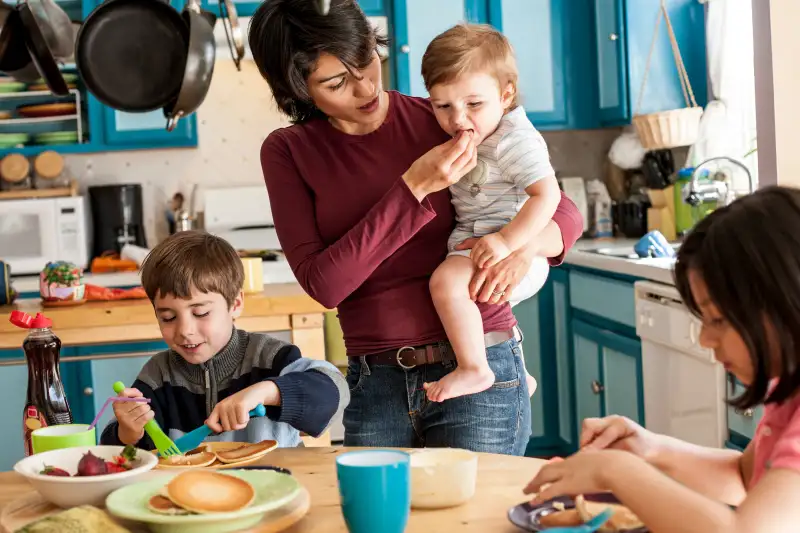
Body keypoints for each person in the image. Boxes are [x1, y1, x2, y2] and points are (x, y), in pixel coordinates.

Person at [249, 0, 583, 455]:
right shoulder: (289, 152)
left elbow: (563, 209)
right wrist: (413, 188)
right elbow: (325, 285)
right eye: (336, 82)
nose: (365, 86)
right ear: (299, 89)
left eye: (367, 60)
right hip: (377, 383)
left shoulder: (446, 115)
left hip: (481, 368)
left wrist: (520, 247)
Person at [524, 186, 800, 532]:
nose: (705, 339)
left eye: (717, 320)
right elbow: (743, 475)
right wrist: (650, 449)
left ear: (782, 304)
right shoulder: (788, 392)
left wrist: (617, 471)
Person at [100, 230, 349, 449]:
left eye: (201, 313)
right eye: (167, 317)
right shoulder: (157, 376)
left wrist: (267, 391)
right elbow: (117, 452)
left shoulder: (270, 358)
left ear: (236, 304)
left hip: (273, 488)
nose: (185, 330)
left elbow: (335, 393)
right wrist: (128, 432)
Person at [421, 24, 559, 402]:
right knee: (475, 304)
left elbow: (548, 196)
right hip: (485, 246)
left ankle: (474, 369)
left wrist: (507, 241)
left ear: (506, 94)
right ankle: (520, 373)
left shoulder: (513, 139)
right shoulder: (472, 136)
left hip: (513, 251)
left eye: (474, 105)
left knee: (446, 285)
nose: (458, 120)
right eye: (443, 106)